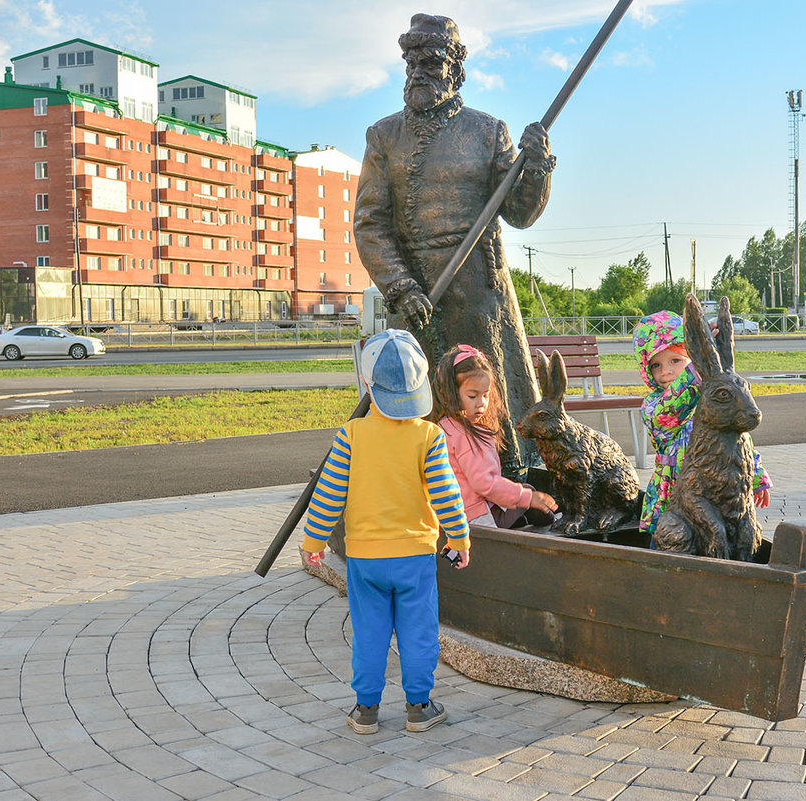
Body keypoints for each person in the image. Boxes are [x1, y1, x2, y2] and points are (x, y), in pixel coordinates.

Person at [354, 13, 556, 480]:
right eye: (411, 63)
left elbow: (520, 214)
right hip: (419, 294)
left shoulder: (488, 131)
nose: (418, 72)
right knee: (422, 403)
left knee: (491, 399)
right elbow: (370, 224)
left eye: (431, 62)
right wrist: (401, 287)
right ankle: (424, 487)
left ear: (455, 70)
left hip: (482, 292)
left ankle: (511, 484)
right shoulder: (384, 136)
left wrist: (537, 168)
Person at [300, 328, 469, 735]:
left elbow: (329, 494)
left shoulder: (351, 435)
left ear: (367, 384)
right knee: (418, 631)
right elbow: (447, 493)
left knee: (370, 633)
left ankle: (366, 710)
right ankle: (418, 706)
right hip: (414, 557)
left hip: (365, 559)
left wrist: (313, 542)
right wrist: (458, 538)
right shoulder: (428, 436)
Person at [633, 311, 772, 541]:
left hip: (719, 492)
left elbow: (739, 439)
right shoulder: (654, 405)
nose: (666, 372)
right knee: (674, 537)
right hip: (677, 494)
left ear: (690, 357)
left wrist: (756, 475)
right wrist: (698, 369)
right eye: (656, 365)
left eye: (675, 360)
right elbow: (670, 410)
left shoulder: (710, 397)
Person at [432, 344, 559, 528]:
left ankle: (521, 520)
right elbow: (485, 484)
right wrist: (528, 498)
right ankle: (552, 520)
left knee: (520, 495)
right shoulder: (466, 435)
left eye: (485, 395)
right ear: (451, 394)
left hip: (454, 513)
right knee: (528, 492)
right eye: (473, 396)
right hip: (477, 519)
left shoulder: (445, 426)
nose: (481, 403)